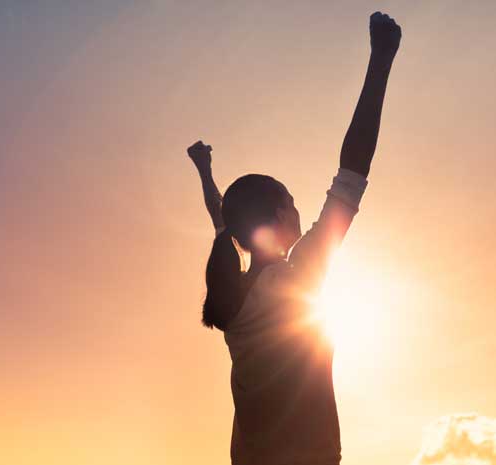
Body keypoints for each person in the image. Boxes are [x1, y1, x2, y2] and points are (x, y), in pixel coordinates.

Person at [186, 11, 401, 465]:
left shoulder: (233, 295)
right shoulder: (299, 277)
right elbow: (352, 172)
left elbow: (219, 214)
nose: (302, 210)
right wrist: (380, 61)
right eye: (294, 201)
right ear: (283, 214)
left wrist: (205, 172)